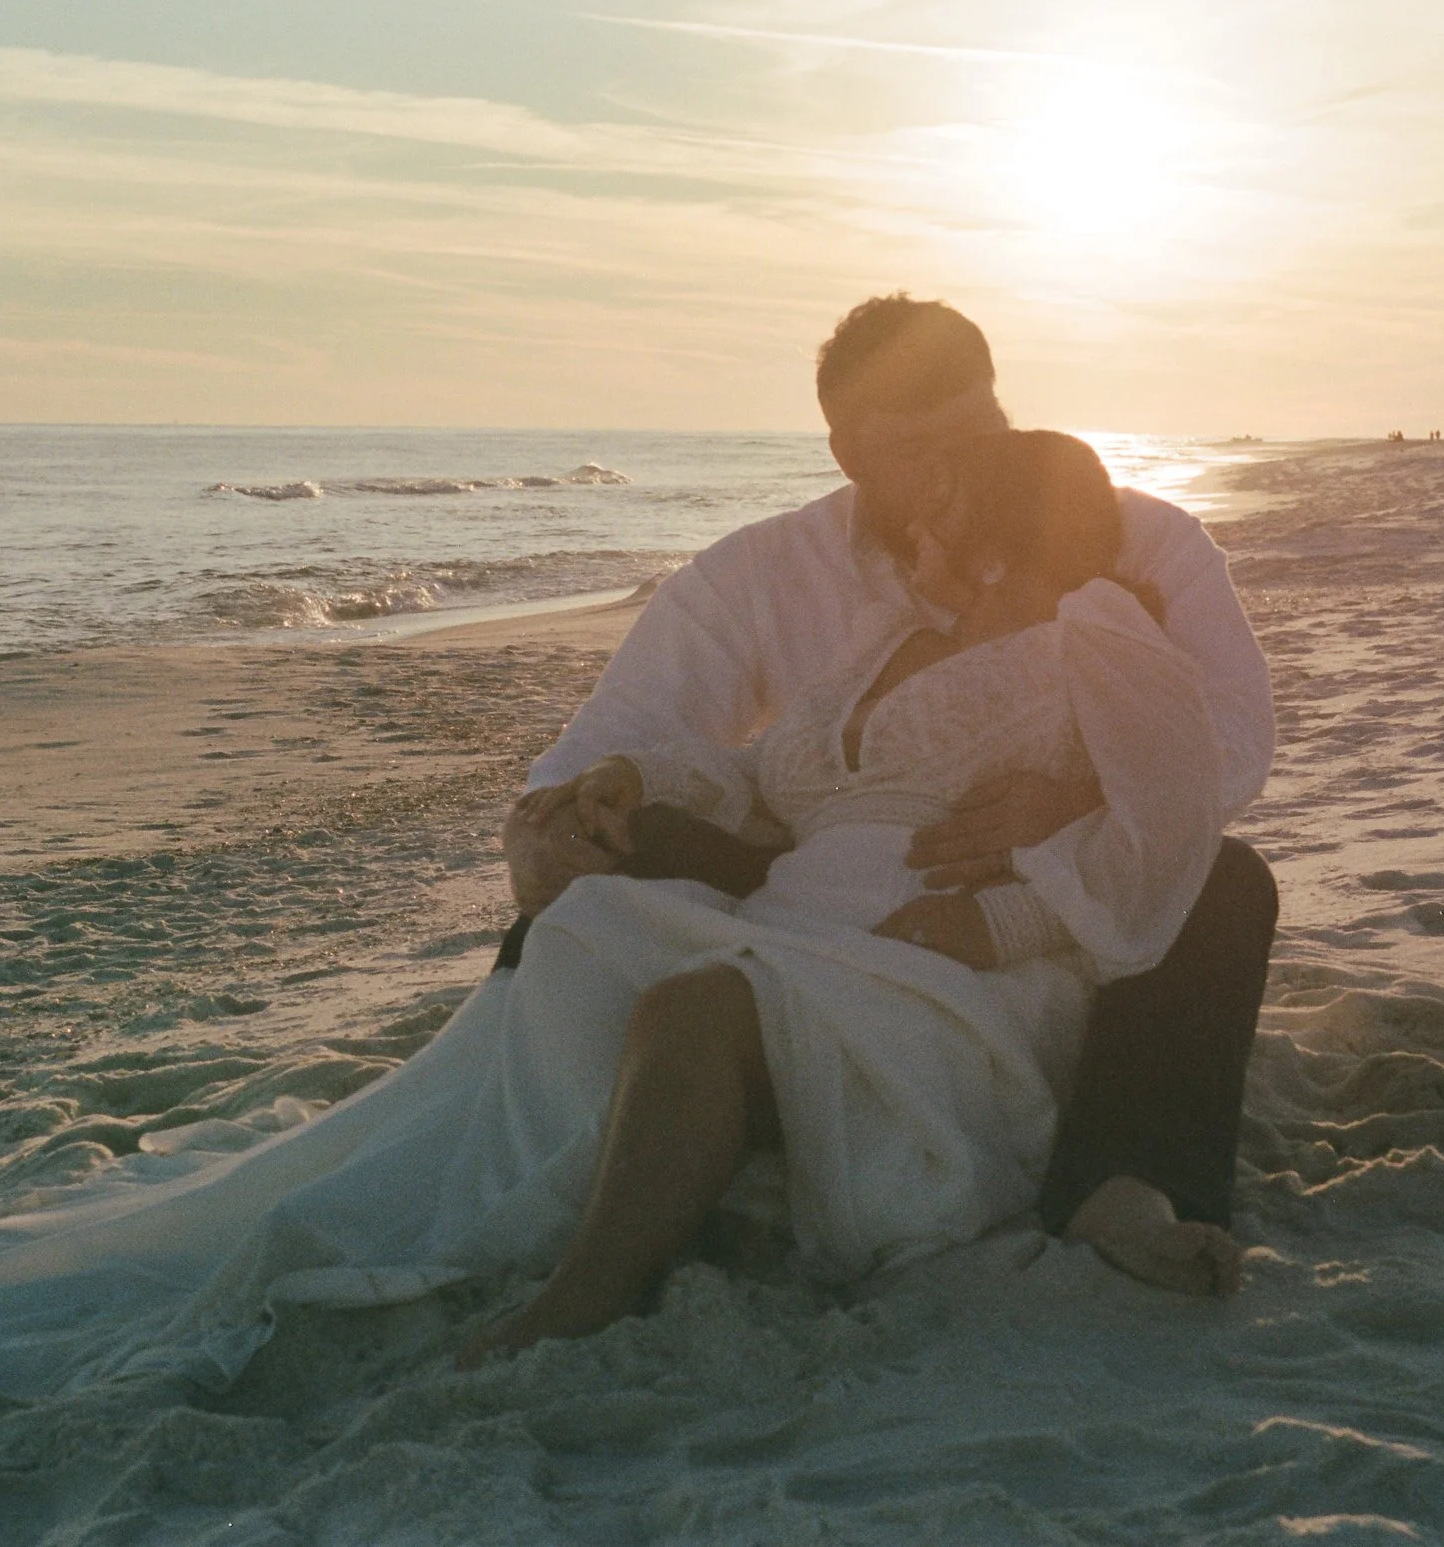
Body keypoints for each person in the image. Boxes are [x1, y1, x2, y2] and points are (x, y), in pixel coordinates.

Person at [0, 425, 1235, 1419]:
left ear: (1027, 516)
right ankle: (563, 1179)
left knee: (698, 1009)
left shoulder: (1101, 629)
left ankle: (584, 1297)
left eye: (962, 500)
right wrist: (627, 790)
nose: (922, 514)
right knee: (589, 935)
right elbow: (772, 785)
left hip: (931, 971)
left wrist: (1009, 904)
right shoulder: (901, 633)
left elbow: (1176, 827)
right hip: (809, 917)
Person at [495, 294, 1276, 1303]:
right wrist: (553, 825)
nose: (957, 474)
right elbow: (618, 736)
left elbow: (1232, 740)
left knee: (1222, 877)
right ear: (846, 451)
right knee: (601, 859)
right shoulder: (768, 571)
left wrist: (1075, 794)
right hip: (803, 860)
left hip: (1021, 882)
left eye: (980, 435)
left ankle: (1127, 1183)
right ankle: (567, 1099)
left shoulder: (1130, 540)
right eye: (920, 451)